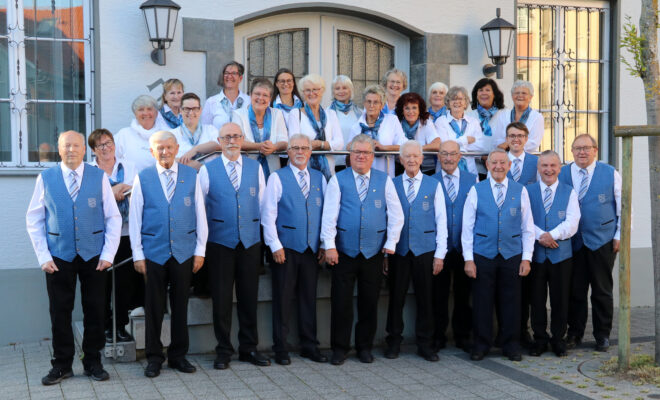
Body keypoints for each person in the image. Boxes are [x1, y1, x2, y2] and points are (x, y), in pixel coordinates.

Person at [26, 130, 121, 385]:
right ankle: (61, 364)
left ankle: (92, 362)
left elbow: (113, 217)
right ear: (59, 150)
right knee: (60, 312)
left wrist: (109, 254)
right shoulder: (46, 178)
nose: (71, 150)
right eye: (66, 146)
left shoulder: (99, 177)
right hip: (59, 255)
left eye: (76, 146)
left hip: (94, 255)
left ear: (84, 149)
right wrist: (43, 256)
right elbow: (34, 219)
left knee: (96, 311)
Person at [129, 130, 207, 378]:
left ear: (176, 148)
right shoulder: (143, 177)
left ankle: (178, 356)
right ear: (152, 151)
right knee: (154, 307)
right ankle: (154, 357)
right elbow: (134, 219)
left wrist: (200, 250)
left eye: (169, 147)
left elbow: (200, 214)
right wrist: (138, 254)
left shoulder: (191, 175)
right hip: (153, 252)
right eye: (159, 148)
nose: (164, 152)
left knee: (181, 305)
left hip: (184, 251)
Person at [321, 134, 404, 365]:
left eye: (366, 153)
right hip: (344, 252)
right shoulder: (338, 180)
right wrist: (329, 246)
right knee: (341, 303)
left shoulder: (384, 180)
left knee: (369, 302)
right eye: (356, 152)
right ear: (350, 156)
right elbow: (329, 216)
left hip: (373, 253)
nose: (361, 156)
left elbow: (396, 216)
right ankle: (340, 348)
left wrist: (389, 245)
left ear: (372, 156)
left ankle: (364, 347)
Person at [199, 123, 270, 370]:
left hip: (250, 242)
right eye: (227, 137)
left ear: (242, 139)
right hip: (220, 242)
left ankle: (249, 348)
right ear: (219, 141)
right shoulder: (208, 170)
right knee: (221, 299)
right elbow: (201, 208)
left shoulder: (255, 167)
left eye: (236, 136)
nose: (231, 140)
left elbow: (262, 204)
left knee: (249, 296)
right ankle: (223, 350)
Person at [462, 148, 535, 362]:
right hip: (483, 254)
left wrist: (526, 258)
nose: (498, 166)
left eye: (503, 162)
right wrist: (468, 259)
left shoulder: (520, 190)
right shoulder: (477, 190)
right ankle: (481, 344)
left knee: (511, 302)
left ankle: (510, 344)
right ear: (487, 165)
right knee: (482, 301)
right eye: (494, 162)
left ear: (509, 165)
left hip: (512, 254)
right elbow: (467, 227)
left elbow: (528, 227)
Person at [261, 134, 328, 365]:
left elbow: (325, 215)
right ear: (287, 152)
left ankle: (309, 346)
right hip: (285, 248)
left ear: (310, 152)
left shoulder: (320, 178)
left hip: (311, 249)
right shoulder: (277, 178)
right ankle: (281, 348)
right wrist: (275, 245)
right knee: (283, 299)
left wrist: (322, 243)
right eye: (295, 148)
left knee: (308, 299)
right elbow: (268, 215)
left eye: (304, 148)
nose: (300, 152)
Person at [385, 140, 447, 362]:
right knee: (396, 298)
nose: (411, 160)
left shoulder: (434, 185)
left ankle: (425, 344)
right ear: (400, 160)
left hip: (426, 250)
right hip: (399, 251)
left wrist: (440, 254)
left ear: (422, 159)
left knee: (426, 299)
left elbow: (442, 221)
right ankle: (393, 341)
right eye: (407, 156)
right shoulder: (391, 184)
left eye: (415, 156)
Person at [560, 134, 621, 352]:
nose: (582, 152)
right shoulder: (564, 172)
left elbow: (623, 206)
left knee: (602, 290)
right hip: (573, 242)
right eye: (577, 148)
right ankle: (574, 333)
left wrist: (619, 235)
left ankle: (602, 335)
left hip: (602, 239)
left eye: (586, 148)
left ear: (595, 150)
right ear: (572, 151)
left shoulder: (610, 172)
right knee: (575, 290)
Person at [88, 129, 142, 344]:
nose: (106, 148)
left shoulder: (129, 166)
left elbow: (137, 193)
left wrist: (124, 189)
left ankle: (119, 326)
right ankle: (103, 327)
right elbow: (89, 200)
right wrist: (115, 190)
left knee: (123, 283)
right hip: (100, 235)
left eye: (109, 143)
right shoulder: (89, 171)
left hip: (126, 232)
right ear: (94, 150)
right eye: (101, 145)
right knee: (101, 284)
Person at [527, 150, 580, 357]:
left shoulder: (570, 192)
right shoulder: (527, 191)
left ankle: (558, 338)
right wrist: (542, 236)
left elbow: (573, 222)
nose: (548, 170)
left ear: (559, 168)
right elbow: (525, 220)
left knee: (560, 299)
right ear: (538, 168)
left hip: (561, 256)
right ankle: (539, 338)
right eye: (544, 166)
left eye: (553, 166)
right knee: (537, 299)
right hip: (536, 255)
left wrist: (553, 235)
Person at [432, 140, 478, 352]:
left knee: (464, 293)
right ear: (439, 157)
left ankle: (462, 335)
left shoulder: (473, 179)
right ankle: (438, 336)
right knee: (438, 295)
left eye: (453, 154)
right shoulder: (430, 181)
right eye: (444, 154)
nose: (448, 158)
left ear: (460, 157)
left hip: (464, 247)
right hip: (439, 248)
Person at [503, 121, 539, 347]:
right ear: (507, 139)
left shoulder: (537, 162)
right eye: (511, 136)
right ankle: (508, 332)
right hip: (504, 235)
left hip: (530, 233)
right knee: (507, 289)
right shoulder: (499, 161)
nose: (515, 139)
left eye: (519, 135)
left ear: (526, 138)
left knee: (528, 288)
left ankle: (525, 331)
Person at [287, 73, 344, 180]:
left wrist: (320, 144)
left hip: (329, 170)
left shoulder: (331, 114)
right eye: (307, 90)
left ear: (322, 91)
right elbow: (295, 143)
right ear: (303, 93)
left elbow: (340, 143)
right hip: (302, 171)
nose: (312, 93)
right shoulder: (295, 114)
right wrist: (327, 145)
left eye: (315, 89)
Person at [233, 78, 289, 177]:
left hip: (273, 169)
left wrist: (274, 147)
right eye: (257, 94)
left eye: (265, 95)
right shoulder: (238, 114)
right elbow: (237, 142)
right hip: (246, 169)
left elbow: (284, 142)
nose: (260, 98)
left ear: (270, 98)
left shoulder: (277, 113)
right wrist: (260, 146)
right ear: (250, 95)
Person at [349, 85, 406, 177]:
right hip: (362, 175)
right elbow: (349, 150)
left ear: (382, 105)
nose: (371, 106)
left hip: (385, 172)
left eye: (376, 102)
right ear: (364, 103)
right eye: (369, 102)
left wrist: (384, 148)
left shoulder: (392, 120)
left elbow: (404, 145)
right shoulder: (357, 126)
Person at [435, 86, 488, 175]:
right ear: (448, 103)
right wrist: (466, 140)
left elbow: (481, 146)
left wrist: (455, 146)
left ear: (465, 103)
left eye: (460, 99)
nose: (457, 102)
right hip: (446, 171)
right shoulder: (441, 121)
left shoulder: (473, 122)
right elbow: (444, 146)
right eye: (453, 99)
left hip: (470, 171)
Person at [115, 95, 169, 172]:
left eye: (149, 109)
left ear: (156, 113)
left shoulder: (166, 134)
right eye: (141, 109)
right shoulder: (124, 135)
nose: (146, 113)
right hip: (130, 183)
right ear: (135, 114)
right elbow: (109, 160)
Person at [394, 92, 440, 174]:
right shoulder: (396, 122)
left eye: (414, 108)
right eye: (407, 108)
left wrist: (415, 150)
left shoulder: (427, 122)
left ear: (419, 110)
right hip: (400, 166)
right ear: (402, 110)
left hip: (425, 168)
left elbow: (437, 145)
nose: (411, 111)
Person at [173, 92, 220, 170]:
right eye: (187, 109)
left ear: (200, 110)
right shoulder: (172, 134)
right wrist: (196, 166)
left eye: (195, 108)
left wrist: (195, 149)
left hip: (210, 178)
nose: (191, 113)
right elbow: (169, 160)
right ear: (180, 110)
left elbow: (219, 145)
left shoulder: (210, 129)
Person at [494, 80, 545, 152]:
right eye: (517, 93)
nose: (520, 95)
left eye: (524, 93)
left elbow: (534, 143)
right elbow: (497, 141)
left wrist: (508, 144)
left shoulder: (537, 117)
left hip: (526, 158)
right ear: (512, 96)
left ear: (530, 97)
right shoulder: (503, 115)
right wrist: (517, 143)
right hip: (505, 159)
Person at [201, 61, 250, 130]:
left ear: (240, 78)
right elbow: (205, 130)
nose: (229, 76)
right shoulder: (211, 102)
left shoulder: (249, 101)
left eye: (234, 73)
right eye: (226, 73)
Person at [328, 75, 362, 170]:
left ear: (350, 90)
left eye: (344, 88)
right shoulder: (326, 113)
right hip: (334, 162)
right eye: (337, 88)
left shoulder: (360, 113)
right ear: (333, 92)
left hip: (355, 161)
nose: (341, 91)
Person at [467, 78, 506, 153]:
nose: (484, 93)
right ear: (476, 95)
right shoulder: (468, 116)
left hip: (500, 161)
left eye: (487, 90)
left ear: (494, 94)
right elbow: (466, 142)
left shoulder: (505, 114)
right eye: (481, 90)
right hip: (475, 161)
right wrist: (481, 157)